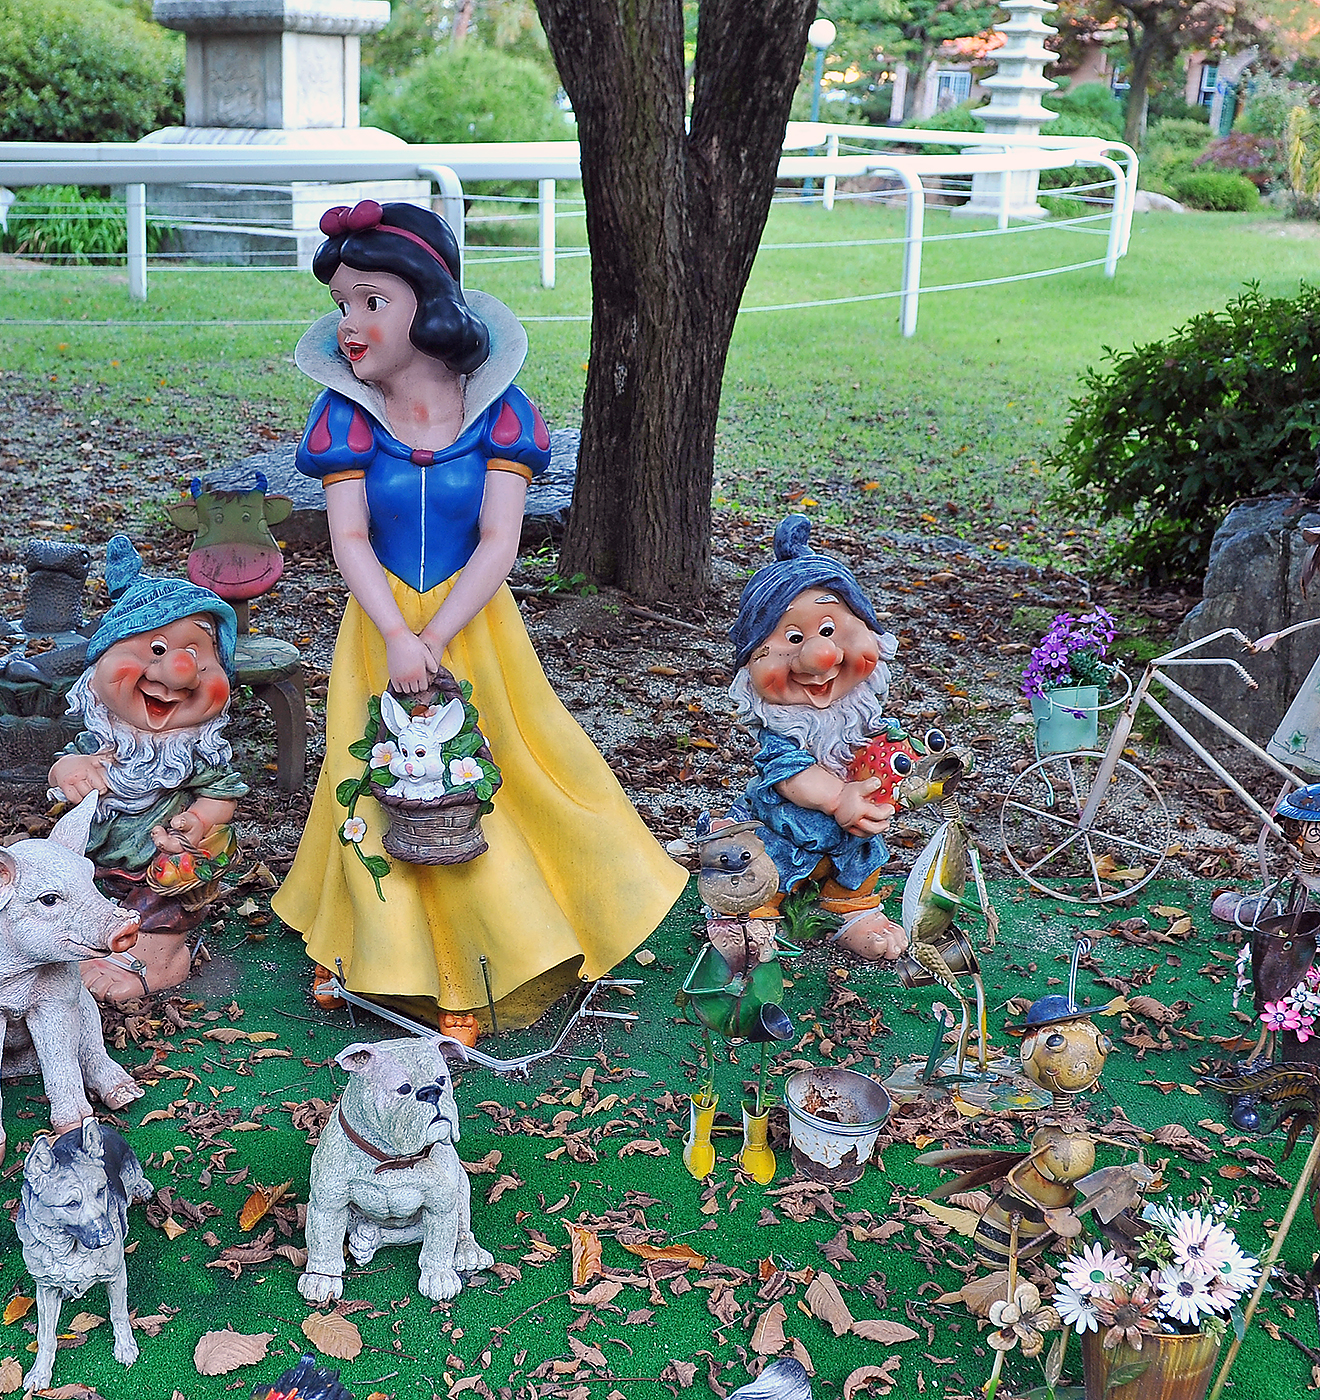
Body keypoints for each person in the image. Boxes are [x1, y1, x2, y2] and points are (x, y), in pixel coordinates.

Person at [271, 200, 686, 1046]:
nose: (349, 323)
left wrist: (434, 638)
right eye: (342, 303)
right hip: (380, 624)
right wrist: (398, 636)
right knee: (374, 774)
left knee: (491, 773)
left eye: (372, 301)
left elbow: (500, 541)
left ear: (430, 303)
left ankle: (487, 957)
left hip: (474, 627)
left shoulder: (501, 413)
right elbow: (349, 538)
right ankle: (367, 946)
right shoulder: (344, 417)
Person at [51, 536, 248, 1001]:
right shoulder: (102, 740)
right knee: (73, 898)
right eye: (156, 649)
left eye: (198, 655)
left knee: (164, 904)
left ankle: (159, 961)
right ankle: (93, 948)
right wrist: (69, 771)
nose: (179, 672)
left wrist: (196, 821)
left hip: (160, 868)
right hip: (94, 862)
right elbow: (62, 769)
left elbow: (220, 795)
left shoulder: (195, 751)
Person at [728, 515, 909, 962]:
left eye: (829, 630)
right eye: (793, 637)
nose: (820, 655)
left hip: (850, 830)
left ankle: (852, 910)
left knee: (863, 854)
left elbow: (886, 759)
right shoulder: (782, 729)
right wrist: (838, 798)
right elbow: (791, 776)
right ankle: (753, 913)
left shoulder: (862, 717)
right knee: (762, 862)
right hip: (786, 828)